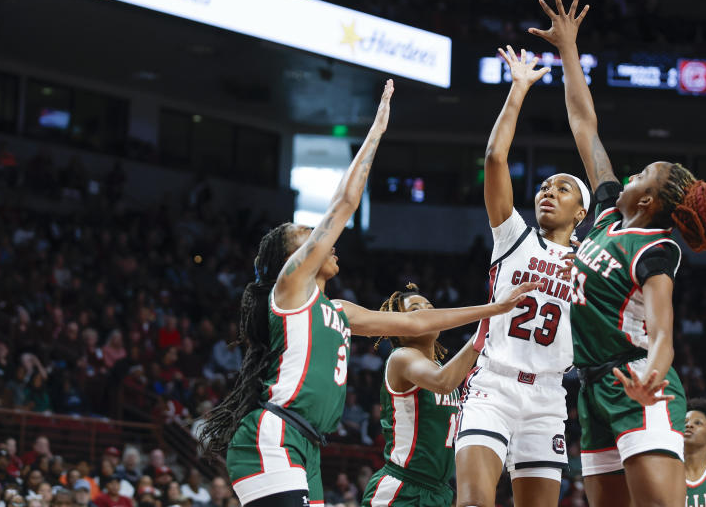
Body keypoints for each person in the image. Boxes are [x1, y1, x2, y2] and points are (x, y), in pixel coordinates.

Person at [199, 81, 530, 507]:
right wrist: (376, 129)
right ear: (293, 258)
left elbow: (414, 323)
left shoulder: (339, 310)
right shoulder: (290, 288)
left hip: (308, 444)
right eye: (310, 236)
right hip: (274, 433)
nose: (326, 241)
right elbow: (343, 203)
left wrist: (496, 308)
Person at [530, 0, 706, 507]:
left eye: (644, 172)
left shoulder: (656, 248)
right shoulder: (603, 212)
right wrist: (568, 50)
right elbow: (584, 123)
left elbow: (664, 331)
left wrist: (650, 377)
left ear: (647, 199)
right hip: (593, 390)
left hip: (638, 383)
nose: (632, 169)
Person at [455, 44, 589, 507]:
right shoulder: (515, 235)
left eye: (563, 188)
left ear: (582, 211)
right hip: (494, 385)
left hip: (549, 398)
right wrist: (517, 90)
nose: (548, 191)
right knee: (473, 502)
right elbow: (495, 157)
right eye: (545, 186)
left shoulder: (590, 260)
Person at [361, 282, 538, 507]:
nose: (427, 312)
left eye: (430, 306)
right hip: (402, 488)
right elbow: (442, 382)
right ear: (398, 327)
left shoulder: (439, 366)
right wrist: (485, 327)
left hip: (439, 491)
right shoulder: (401, 357)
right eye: (415, 310)